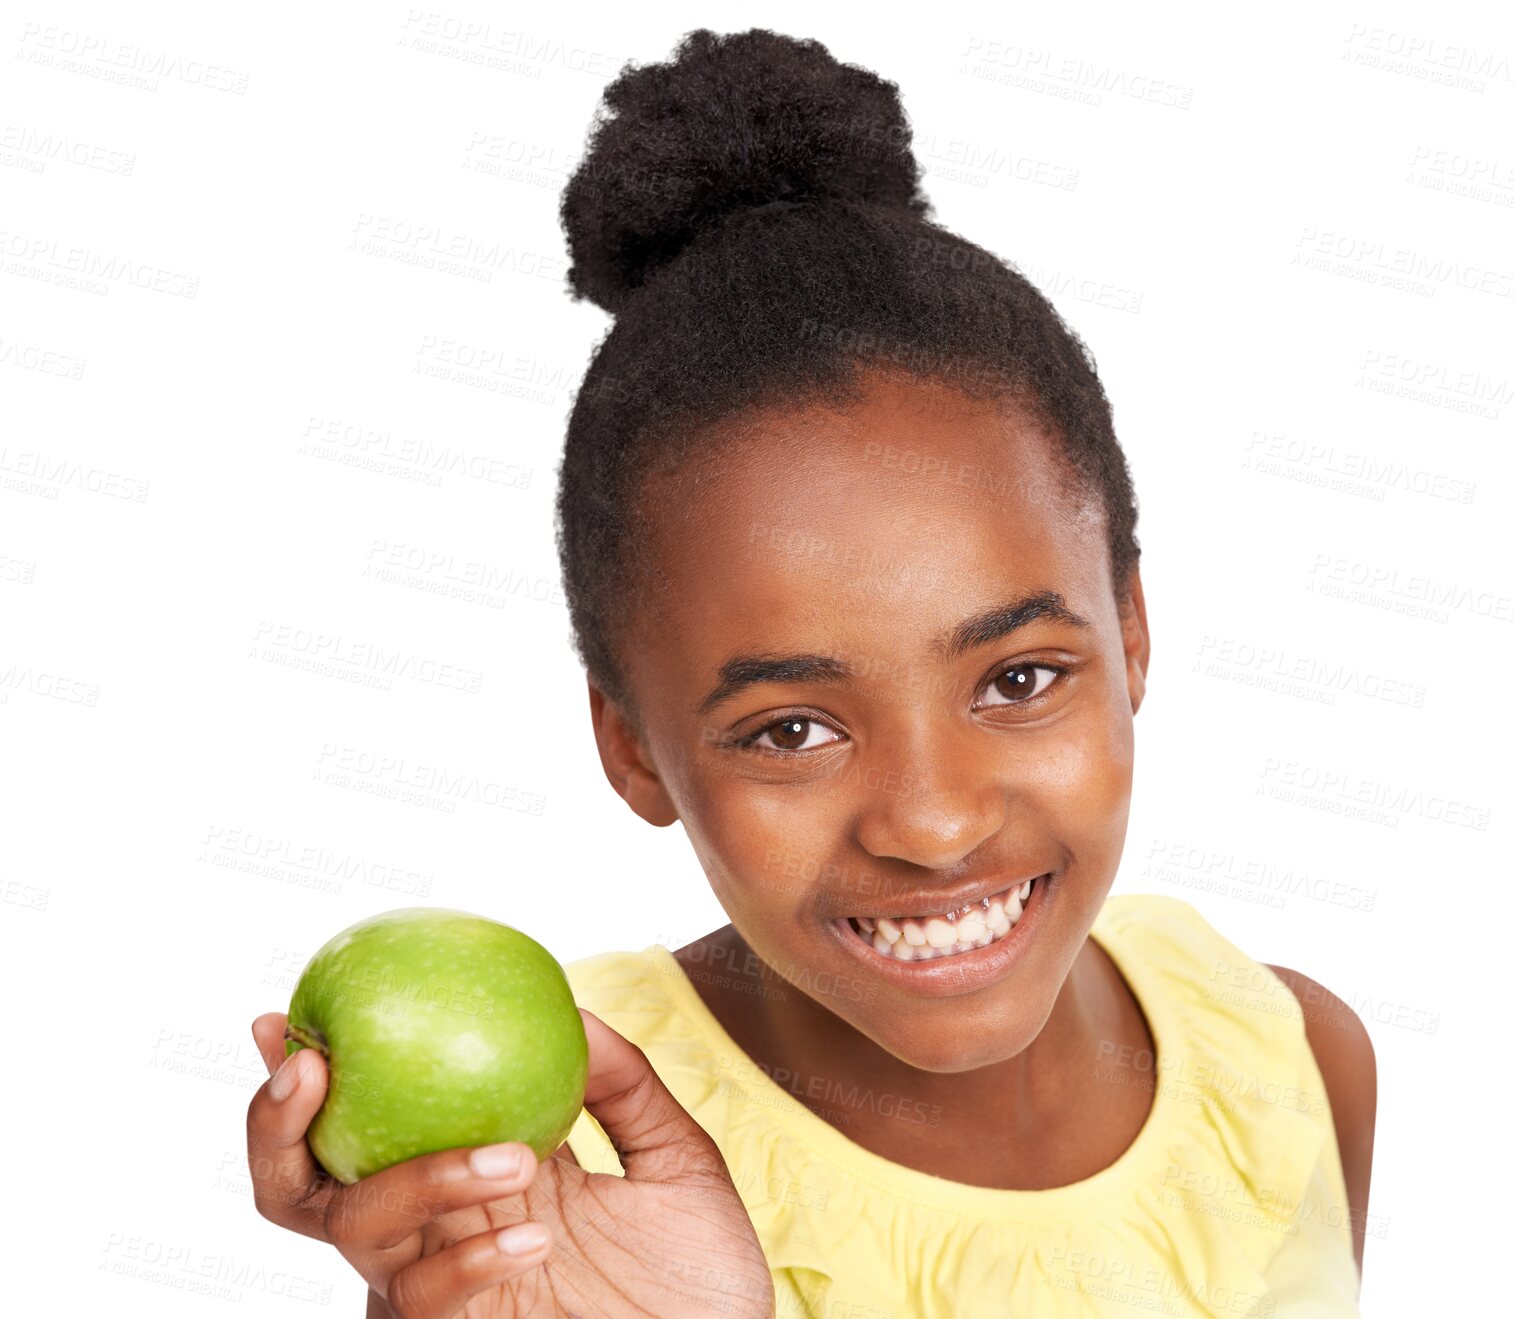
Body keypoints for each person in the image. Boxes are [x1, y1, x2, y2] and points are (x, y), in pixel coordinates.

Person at [245, 27, 1376, 1318]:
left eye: (1015, 680)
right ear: (631, 748)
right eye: (789, 729)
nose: (933, 822)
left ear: (1130, 632)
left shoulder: (1282, 1057)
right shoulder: (549, 1181)